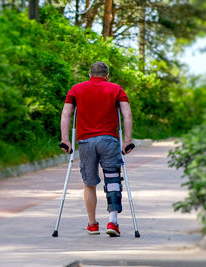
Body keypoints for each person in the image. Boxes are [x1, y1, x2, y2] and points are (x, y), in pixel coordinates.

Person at [60, 61, 133, 237]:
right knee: (113, 179)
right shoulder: (116, 89)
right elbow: (127, 114)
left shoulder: (76, 89)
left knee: (89, 184)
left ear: (90, 75)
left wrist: (65, 140)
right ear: (107, 75)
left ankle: (92, 224)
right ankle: (113, 222)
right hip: (109, 140)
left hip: (85, 141)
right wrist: (128, 141)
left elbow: (66, 114)